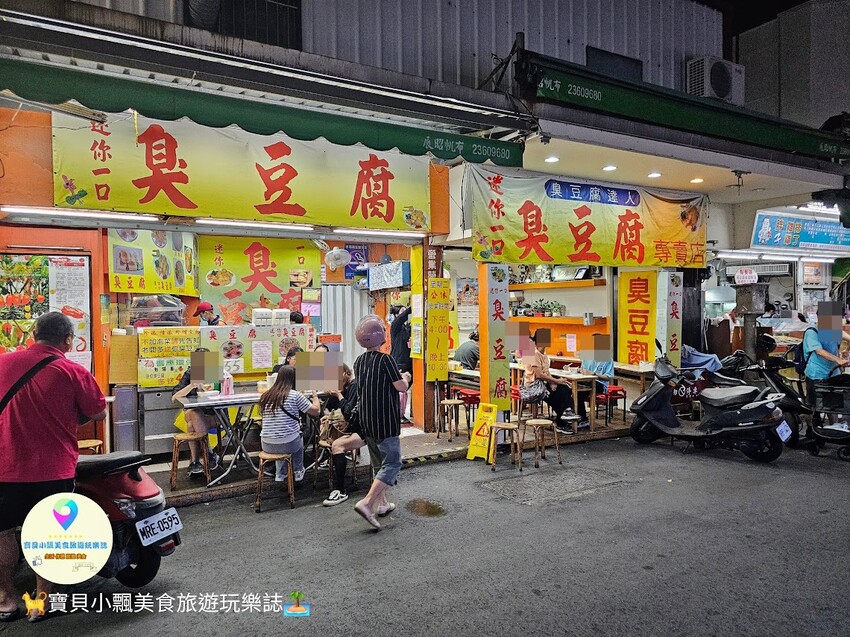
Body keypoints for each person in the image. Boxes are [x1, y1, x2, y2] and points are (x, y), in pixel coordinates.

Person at [0, 312, 107, 623]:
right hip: (53, 469)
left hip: (6, 466)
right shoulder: (72, 370)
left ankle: (5, 599)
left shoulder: (3, 363)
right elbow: (98, 414)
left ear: (34, 334)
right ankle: (41, 603)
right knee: (47, 534)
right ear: (68, 340)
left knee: (4, 532)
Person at [352, 315, 410, 530]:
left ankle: (382, 504)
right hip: (385, 422)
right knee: (392, 463)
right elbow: (401, 387)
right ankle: (367, 503)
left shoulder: (359, 361)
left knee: (378, 463)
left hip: (367, 422)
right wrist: (406, 378)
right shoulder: (386, 360)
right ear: (380, 336)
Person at [257, 365, 321, 482]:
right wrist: (315, 395)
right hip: (288, 444)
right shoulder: (294, 395)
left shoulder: (265, 396)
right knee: (296, 436)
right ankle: (298, 472)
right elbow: (316, 411)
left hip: (266, 444)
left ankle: (280, 475)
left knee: (284, 435)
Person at [523, 328, 588, 431]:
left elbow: (545, 371)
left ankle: (565, 415)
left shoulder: (543, 353)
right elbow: (539, 374)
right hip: (533, 387)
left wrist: (552, 381)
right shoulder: (532, 352)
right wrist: (556, 381)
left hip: (543, 384)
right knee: (559, 392)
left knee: (564, 388)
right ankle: (564, 417)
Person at [171, 349, 221, 477]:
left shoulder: (216, 374)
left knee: (191, 425)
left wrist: (205, 389)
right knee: (194, 412)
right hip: (194, 414)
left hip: (213, 415)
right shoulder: (190, 373)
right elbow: (174, 397)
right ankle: (208, 453)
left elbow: (222, 396)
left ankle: (195, 462)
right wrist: (192, 386)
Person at [802, 302, 850, 429]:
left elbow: (849, 338)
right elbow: (819, 351)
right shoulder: (812, 332)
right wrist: (838, 360)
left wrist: (846, 351)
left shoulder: (830, 330)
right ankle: (812, 431)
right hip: (816, 374)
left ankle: (834, 428)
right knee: (813, 405)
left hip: (833, 373)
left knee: (832, 404)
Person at [322, 364, 362, 506]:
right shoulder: (348, 386)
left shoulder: (355, 386)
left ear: (346, 373)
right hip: (355, 427)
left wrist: (338, 395)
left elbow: (347, 411)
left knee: (337, 445)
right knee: (331, 439)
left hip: (363, 430)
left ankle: (341, 490)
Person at [389, 305, 412, 422]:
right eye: (402, 311)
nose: (405, 314)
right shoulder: (395, 326)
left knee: (405, 390)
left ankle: (401, 413)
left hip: (408, 361)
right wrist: (411, 308)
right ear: (396, 314)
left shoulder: (405, 328)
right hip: (399, 362)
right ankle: (397, 414)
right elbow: (401, 318)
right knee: (399, 391)